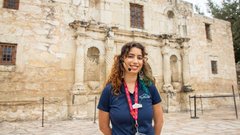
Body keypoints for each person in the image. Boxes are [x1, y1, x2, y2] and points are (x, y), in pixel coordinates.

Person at [98, 42, 164, 135]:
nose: (136, 61)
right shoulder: (109, 90)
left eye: (139, 58)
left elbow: (159, 121)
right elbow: (103, 126)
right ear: (122, 59)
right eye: (130, 56)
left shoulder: (149, 87)